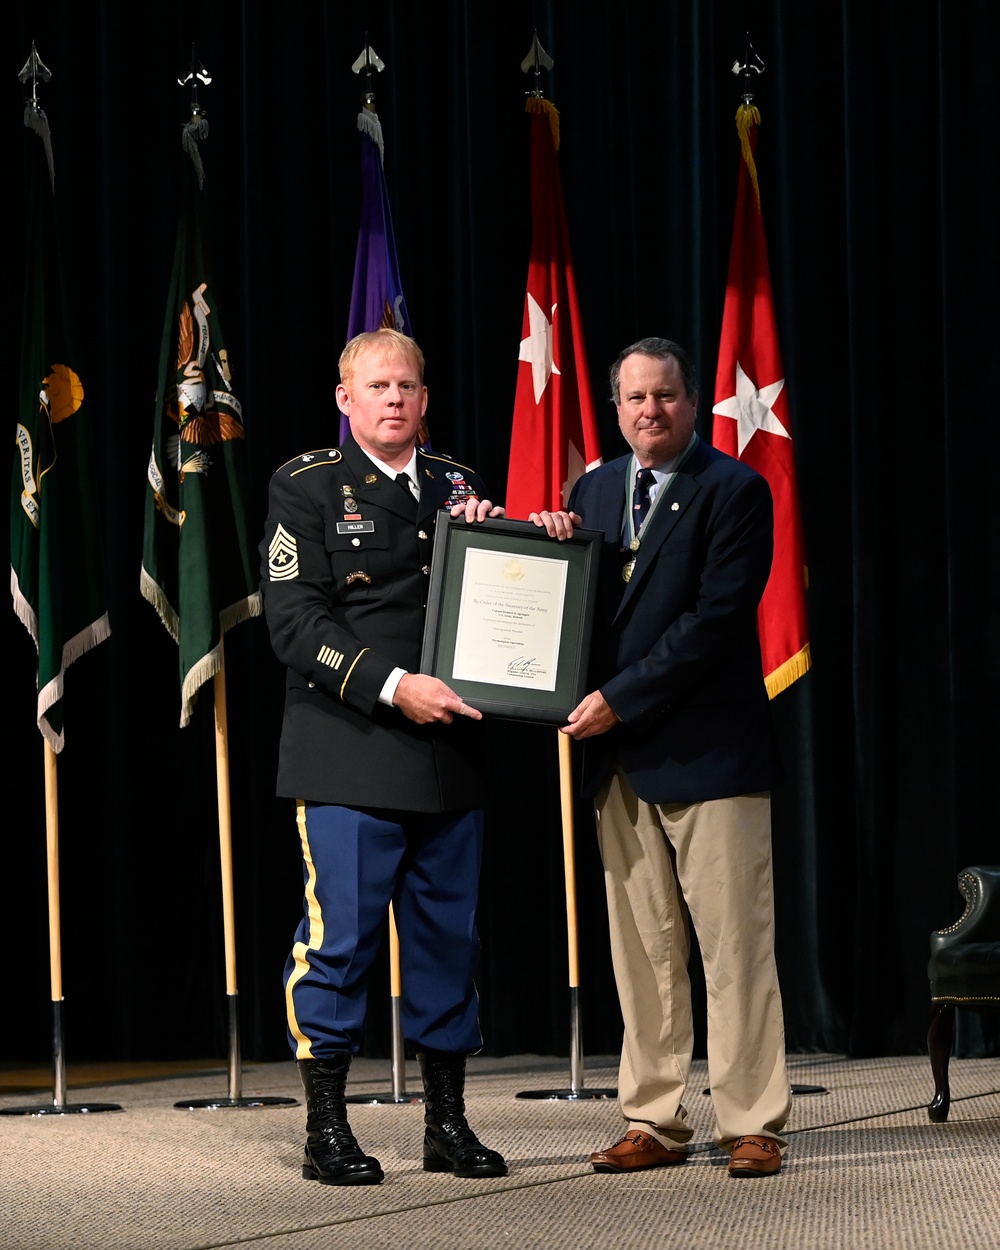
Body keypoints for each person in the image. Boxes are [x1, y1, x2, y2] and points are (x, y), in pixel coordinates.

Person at [532, 336, 792, 1178]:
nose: (652, 411)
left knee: (733, 946)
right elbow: (580, 609)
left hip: (709, 752)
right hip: (619, 761)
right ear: (617, 409)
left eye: (667, 396)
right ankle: (653, 1118)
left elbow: (714, 626)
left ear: (691, 402)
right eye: (636, 399)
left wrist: (619, 699)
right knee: (642, 950)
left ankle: (753, 1121)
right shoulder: (595, 488)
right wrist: (553, 547)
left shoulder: (737, 490)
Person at [260, 328, 508, 1186]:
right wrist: (395, 684)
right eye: (377, 386)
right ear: (346, 399)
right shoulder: (306, 487)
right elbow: (293, 624)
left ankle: (447, 1123)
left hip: (451, 754)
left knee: (449, 944)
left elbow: (505, 600)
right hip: (350, 750)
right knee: (340, 944)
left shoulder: (462, 486)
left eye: (407, 385)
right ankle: (325, 1128)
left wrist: (532, 538)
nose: (394, 398)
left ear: (426, 398)